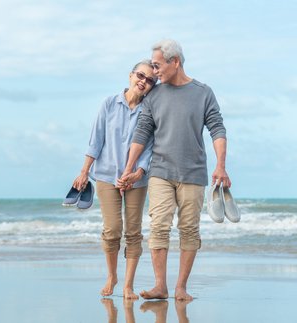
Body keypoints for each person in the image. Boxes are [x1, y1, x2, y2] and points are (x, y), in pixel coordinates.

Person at [118, 39, 230, 301]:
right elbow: (142, 131)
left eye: (157, 66)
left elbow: (217, 129)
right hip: (160, 171)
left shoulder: (203, 92)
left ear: (175, 62)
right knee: (159, 227)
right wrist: (129, 167)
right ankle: (160, 286)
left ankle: (180, 287)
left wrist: (221, 165)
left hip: (193, 173)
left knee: (189, 230)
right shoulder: (154, 95)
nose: (154, 72)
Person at [72, 60, 156, 299]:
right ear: (130, 75)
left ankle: (128, 285)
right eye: (141, 75)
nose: (144, 82)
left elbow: (150, 147)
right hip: (107, 176)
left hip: (136, 180)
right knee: (112, 230)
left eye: (150, 80)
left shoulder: (149, 110)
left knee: (133, 231)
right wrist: (84, 171)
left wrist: (139, 172)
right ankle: (112, 276)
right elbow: (95, 140)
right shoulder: (109, 104)